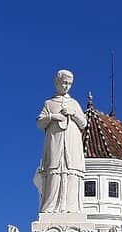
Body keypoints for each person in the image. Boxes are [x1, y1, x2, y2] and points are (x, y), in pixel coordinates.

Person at [34, 69, 88, 214]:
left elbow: (84, 123)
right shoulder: (49, 103)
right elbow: (39, 122)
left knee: (72, 172)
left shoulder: (74, 103)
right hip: (55, 142)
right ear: (57, 82)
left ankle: (72, 207)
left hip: (72, 142)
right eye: (64, 82)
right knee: (54, 171)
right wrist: (53, 116)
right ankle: (50, 206)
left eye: (69, 84)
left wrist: (74, 113)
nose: (66, 86)